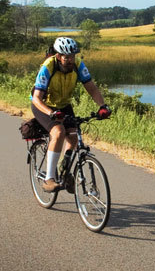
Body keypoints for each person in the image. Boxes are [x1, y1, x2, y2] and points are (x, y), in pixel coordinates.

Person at [31, 37, 111, 192]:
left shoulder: (78, 65)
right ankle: (49, 179)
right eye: (67, 57)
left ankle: (64, 167)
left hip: (63, 105)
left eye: (72, 56)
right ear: (58, 56)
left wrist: (103, 106)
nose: (70, 60)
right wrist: (51, 113)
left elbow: (91, 88)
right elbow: (36, 98)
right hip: (44, 106)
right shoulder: (48, 67)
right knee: (59, 132)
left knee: (74, 136)